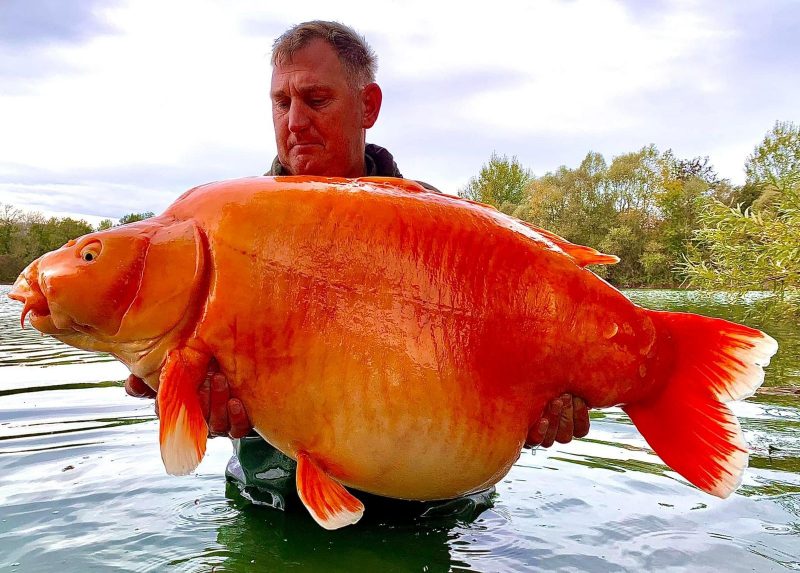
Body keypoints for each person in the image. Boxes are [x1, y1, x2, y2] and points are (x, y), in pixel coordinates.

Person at [125, 20, 590, 511]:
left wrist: (540, 409)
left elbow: (513, 359)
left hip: (427, 509)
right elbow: (149, 351)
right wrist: (161, 381)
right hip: (271, 500)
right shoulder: (223, 230)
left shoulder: (446, 231)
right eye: (282, 102)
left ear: (368, 105)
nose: (295, 121)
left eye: (316, 100)